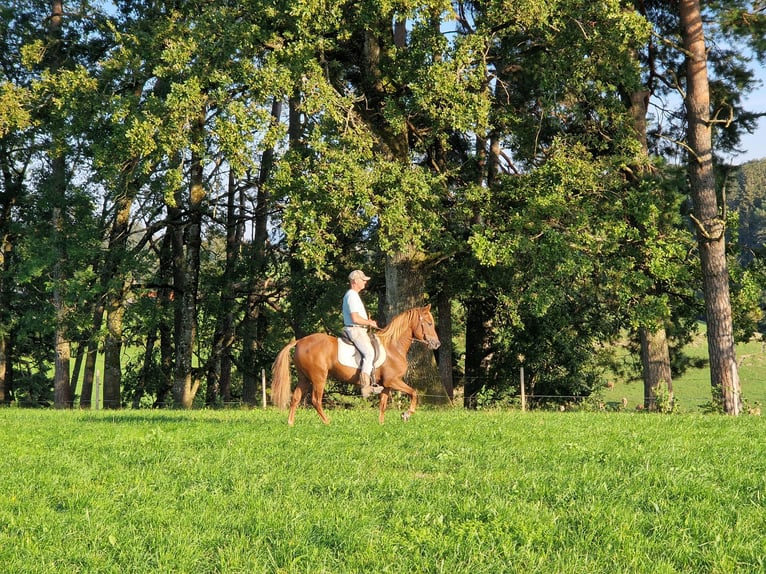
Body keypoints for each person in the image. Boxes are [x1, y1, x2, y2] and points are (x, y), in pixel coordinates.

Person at [343, 269, 383, 398]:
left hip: (359, 328)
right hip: (355, 329)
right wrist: (369, 323)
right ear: (355, 281)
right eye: (363, 280)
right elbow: (355, 318)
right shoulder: (352, 296)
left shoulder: (353, 295)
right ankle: (365, 386)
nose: (365, 282)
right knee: (369, 353)